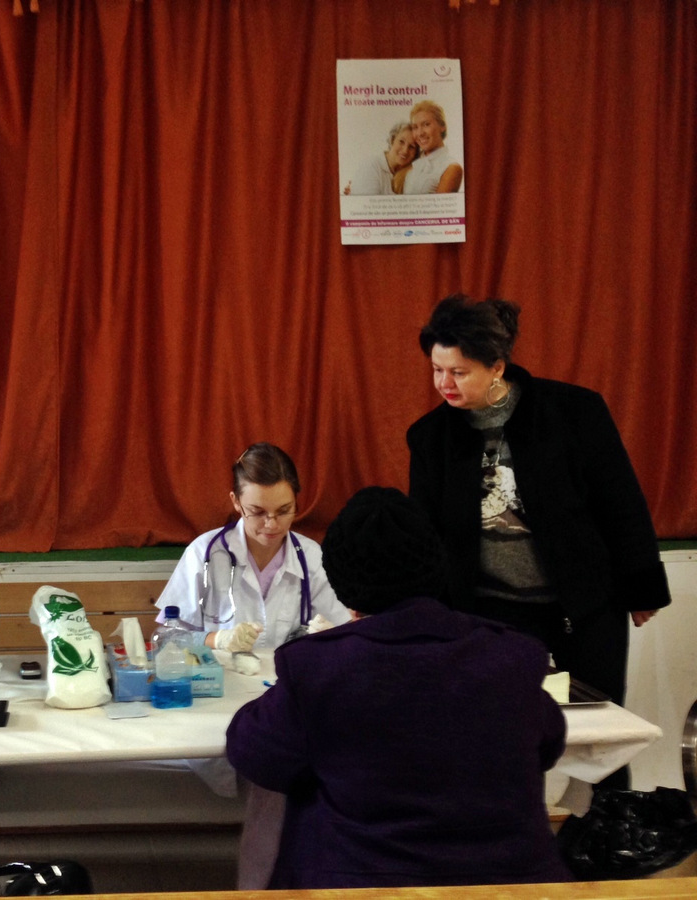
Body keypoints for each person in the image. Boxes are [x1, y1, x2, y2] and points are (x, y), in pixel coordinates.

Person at [227, 486, 572, 889]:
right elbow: (548, 746)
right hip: (512, 885)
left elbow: (254, 754)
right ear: (436, 565)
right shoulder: (513, 655)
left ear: (342, 581)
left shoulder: (319, 666)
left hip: (359, 883)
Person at [406, 295, 670, 741]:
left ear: (496, 367)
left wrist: (642, 588)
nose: (444, 384)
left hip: (582, 604)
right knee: (497, 734)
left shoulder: (573, 412)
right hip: (491, 611)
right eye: (437, 370)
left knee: (600, 732)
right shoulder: (430, 438)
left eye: (459, 372)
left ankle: (606, 792)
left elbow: (620, 501)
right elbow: (426, 535)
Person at [156, 442, 350, 668]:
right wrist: (218, 640)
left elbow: (344, 631)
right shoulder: (203, 554)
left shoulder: (312, 557)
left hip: (291, 683)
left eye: (284, 510)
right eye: (257, 512)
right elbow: (168, 638)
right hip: (220, 684)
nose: (271, 524)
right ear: (236, 502)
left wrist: (333, 637)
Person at [342, 121, 419, 196]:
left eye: (412, 147)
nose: (405, 150)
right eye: (401, 142)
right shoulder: (372, 166)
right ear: (392, 140)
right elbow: (367, 203)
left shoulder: (410, 174)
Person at [402, 100, 463, 193]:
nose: (420, 133)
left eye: (426, 124)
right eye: (415, 127)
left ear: (442, 127)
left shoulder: (451, 167)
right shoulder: (414, 165)